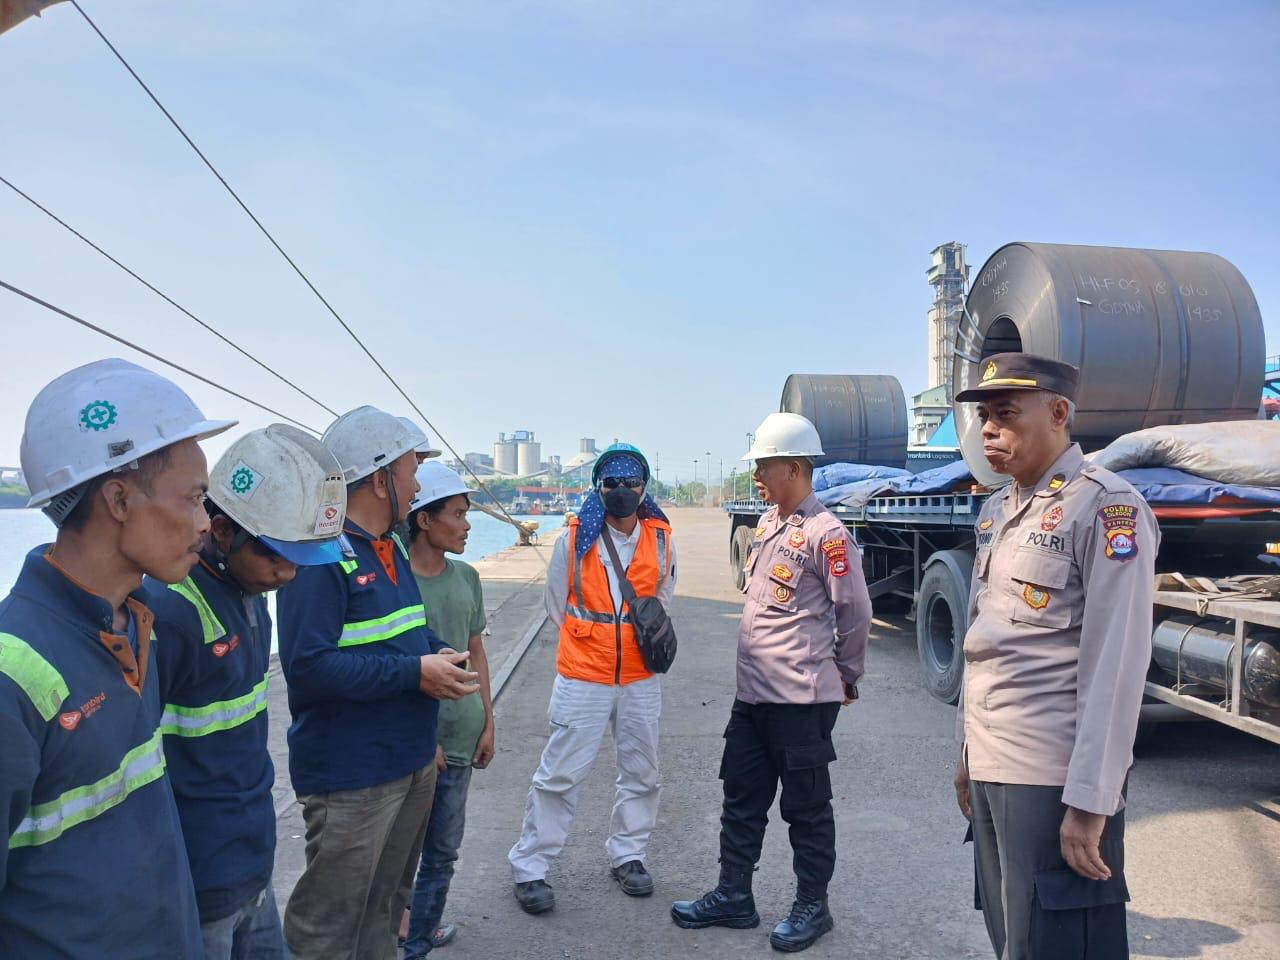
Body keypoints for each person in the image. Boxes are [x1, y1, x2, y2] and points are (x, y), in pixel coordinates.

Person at [0, 357, 235, 958]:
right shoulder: (13, 675)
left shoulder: (137, 621)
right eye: (194, 498)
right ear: (120, 500)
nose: (205, 524)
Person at [951, 353, 1157, 960]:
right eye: (984, 417)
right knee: (1014, 937)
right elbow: (983, 643)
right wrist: (966, 753)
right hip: (992, 761)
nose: (989, 430)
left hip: (1050, 776)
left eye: (1005, 414)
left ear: (1059, 413)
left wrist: (1092, 799)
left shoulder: (1107, 508)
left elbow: (1116, 665)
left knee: (1061, 942)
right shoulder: (998, 509)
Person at [277, 406, 480, 960]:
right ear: (378, 477)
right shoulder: (320, 558)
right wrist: (415, 672)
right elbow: (308, 667)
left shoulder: (390, 547)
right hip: (353, 776)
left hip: (409, 762)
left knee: (386, 910)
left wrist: (432, 650)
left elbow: (399, 632)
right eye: (411, 470)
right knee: (329, 926)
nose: (416, 485)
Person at [145, 424, 349, 958]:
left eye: (298, 559)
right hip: (198, 878)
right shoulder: (169, 615)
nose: (287, 574)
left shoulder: (250, 593)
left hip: (250, 857)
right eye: (276, 557)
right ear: (221, 531)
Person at [672, 412, 871, 953]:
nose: (756, 475)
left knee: (806, 810)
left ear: (794, 468)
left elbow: (854, 613)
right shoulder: (767, 523)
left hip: (800, 701)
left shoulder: (827, 535)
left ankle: (813, 907)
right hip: (753, 696)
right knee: (741, 797)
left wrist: (846, 675)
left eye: (764, 466)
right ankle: (734, 896)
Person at [508, 443, 676, 914]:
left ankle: (628, 855)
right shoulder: (574, 538)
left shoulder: (661, 538)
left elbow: (663, 595)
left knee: (642, 772)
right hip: (583, 675)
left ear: (644, 488)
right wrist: (594, 642)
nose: (621, 491)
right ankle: (530, 867)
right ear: (598, 488)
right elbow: (556, 604)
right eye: (612, 483)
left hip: (640, 676)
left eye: (630, 483)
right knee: (559, 774)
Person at [399, 461, 494, 958]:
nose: (466, 525)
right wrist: (423, 740)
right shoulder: (396, 584)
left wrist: (488, 721)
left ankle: (421, 938)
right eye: (457, 514)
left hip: (462, 737)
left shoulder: (468, 577)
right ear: (424, 520)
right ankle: (402, 931)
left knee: (442, 852)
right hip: (415, 745)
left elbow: (475, 650)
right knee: (400, 854)